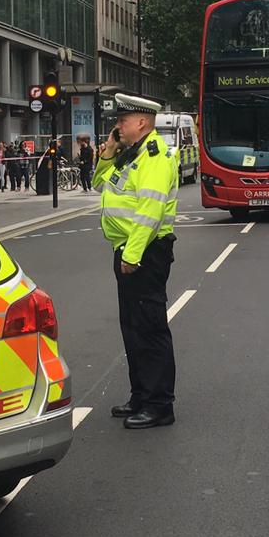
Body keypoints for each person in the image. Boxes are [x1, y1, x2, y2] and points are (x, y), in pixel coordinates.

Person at [92, 94, 179, 430]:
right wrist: (109, 151)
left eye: (122, 122)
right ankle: (141, 395)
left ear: (141, 122)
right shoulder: (132, 156)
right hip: (127, 249)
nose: (117, 127)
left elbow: (150, 210)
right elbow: (99, 182)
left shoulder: (155, 157)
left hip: (144, 252)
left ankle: (160, 405)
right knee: (131, 327)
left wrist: (132, 255)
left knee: (150, 327)